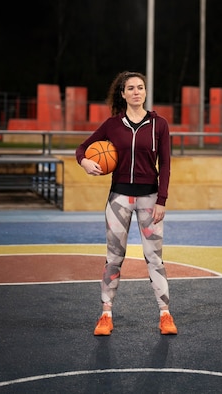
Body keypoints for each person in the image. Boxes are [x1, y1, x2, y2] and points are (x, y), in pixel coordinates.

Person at [75, 71, 178, 336]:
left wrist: (162, 200)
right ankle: (106, 315)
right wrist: (86, 162)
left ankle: (165, 315)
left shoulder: (159, 124)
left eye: (140, 87)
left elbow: (165, 164)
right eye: (130, 88)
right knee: (113, 259)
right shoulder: (112, 125)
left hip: (150, 198)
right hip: (119, 198)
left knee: (155, 259)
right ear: (122, 94)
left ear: (145, 92)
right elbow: (81, 149)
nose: (136, 92)